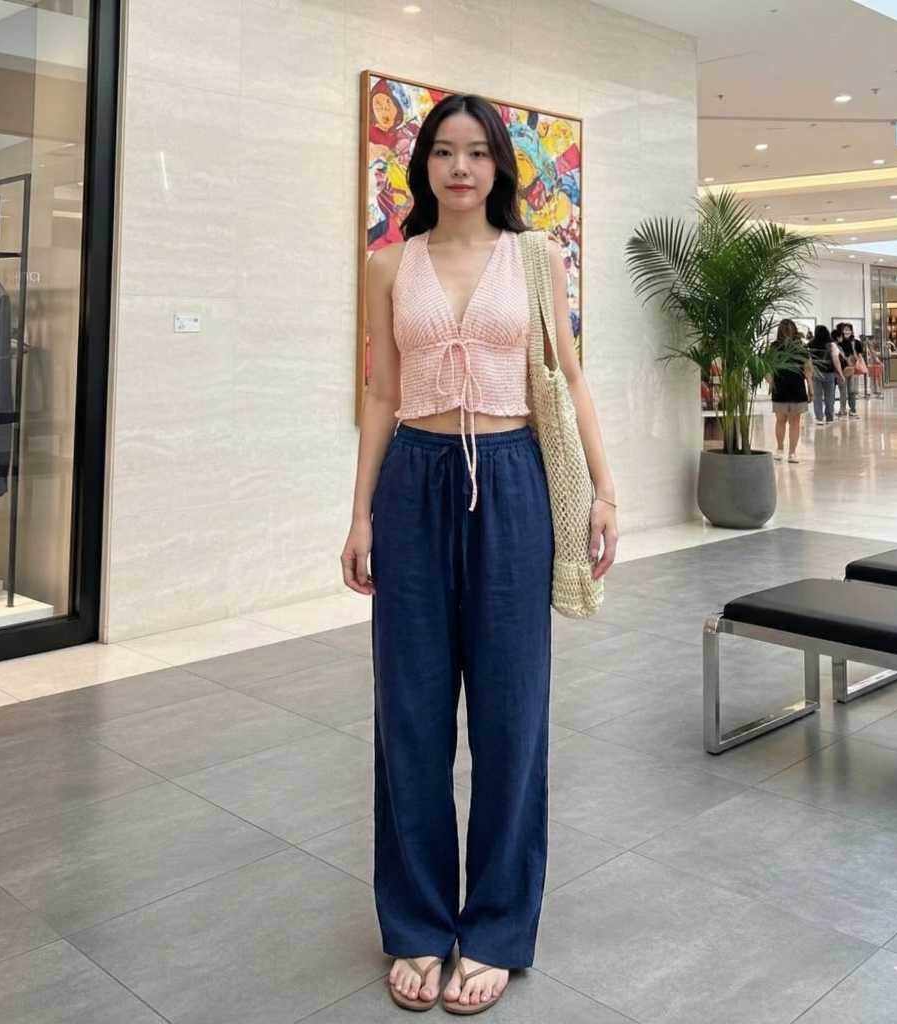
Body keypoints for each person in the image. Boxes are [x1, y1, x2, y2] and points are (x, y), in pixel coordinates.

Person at [340, 92, 618, 1014]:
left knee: (510, 715)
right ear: (421, 165)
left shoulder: (537, 258)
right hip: (413, 482)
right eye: (443, 152)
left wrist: (605, 492)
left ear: (501, 164)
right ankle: (419, 923)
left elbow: (568, 378)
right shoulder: (389, 263)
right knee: (410, 714)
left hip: (513, 482)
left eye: (477, 152)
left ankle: (496, 925)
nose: (460, 168)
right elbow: (382, 393)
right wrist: (360, 514)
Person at [768, 319, 812, 462]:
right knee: (782, 420)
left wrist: (810, 387)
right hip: (782, 388)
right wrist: (771, 382)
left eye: (789, 329)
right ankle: (781, 449)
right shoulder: (775, 347)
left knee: (793, 421)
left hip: (795, 387)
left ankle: (791, 452)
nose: (788, 332)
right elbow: (768, 367)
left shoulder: (800, 347)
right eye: (785, 329)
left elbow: (807, 369)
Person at [808, 325, 844, 425]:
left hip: (816, 373)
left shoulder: (810, 344)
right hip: (829, 373)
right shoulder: (832, 345)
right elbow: (836, 360)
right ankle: (829, 417)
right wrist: (841, 374)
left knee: (817, 396)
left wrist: (810, 373)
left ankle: (819, 418)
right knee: (830, 396)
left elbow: (809, 361)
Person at [834, 322, 862, 417]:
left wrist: (858, 362)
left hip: (852, 369)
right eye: (845, 330)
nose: (847, 331)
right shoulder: (839, 342)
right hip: (841, 370)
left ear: (852, 331)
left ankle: (852, 410)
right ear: (842, 331)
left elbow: (860, 356)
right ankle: (842, 410)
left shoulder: (856, 342)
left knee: (852, 391)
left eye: (849, 330)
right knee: (843, 391)